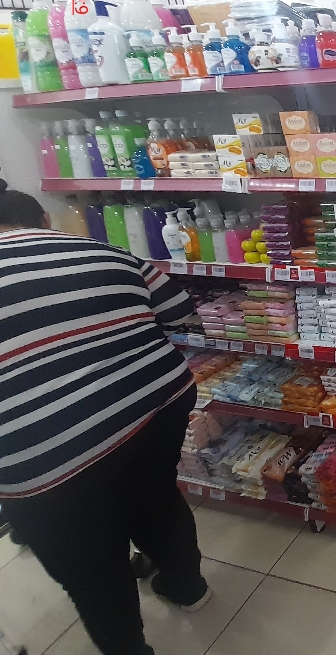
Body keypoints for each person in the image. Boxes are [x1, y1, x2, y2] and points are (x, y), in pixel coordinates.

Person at [0, 182, 208, 655]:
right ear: (46, 220)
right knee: (156, 499)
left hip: (44, 451)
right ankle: (188, 588)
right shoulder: (102, 250)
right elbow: (180, 312)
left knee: (87, 560)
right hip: (155, 405)